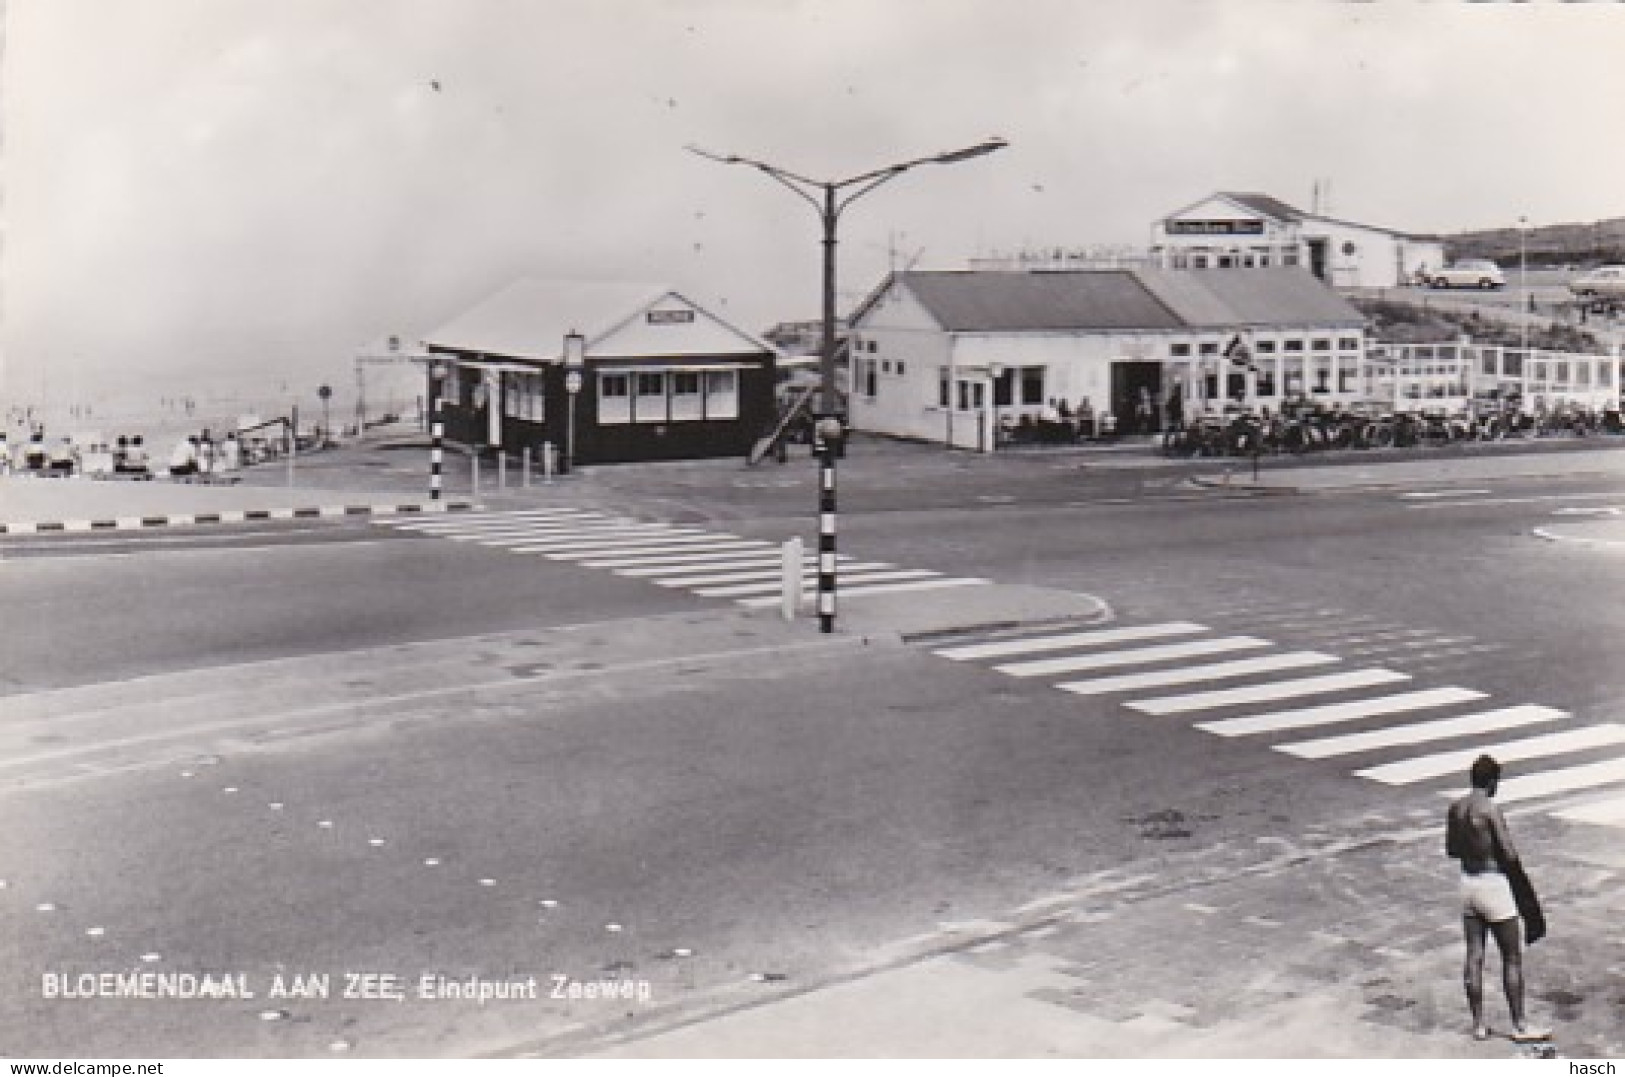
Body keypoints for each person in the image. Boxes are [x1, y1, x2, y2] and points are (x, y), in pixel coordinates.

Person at [1445, 754, 1549, 1043]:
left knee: (1474, 956)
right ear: (1492, 782)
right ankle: (1519, 1025)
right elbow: (1510, 854)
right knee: (1511, 958)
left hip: (1468, 884)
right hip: (1494, 886)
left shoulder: (1456, 807)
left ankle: (1478, 1024)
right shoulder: (1490, 810)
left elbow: (1452, 850)